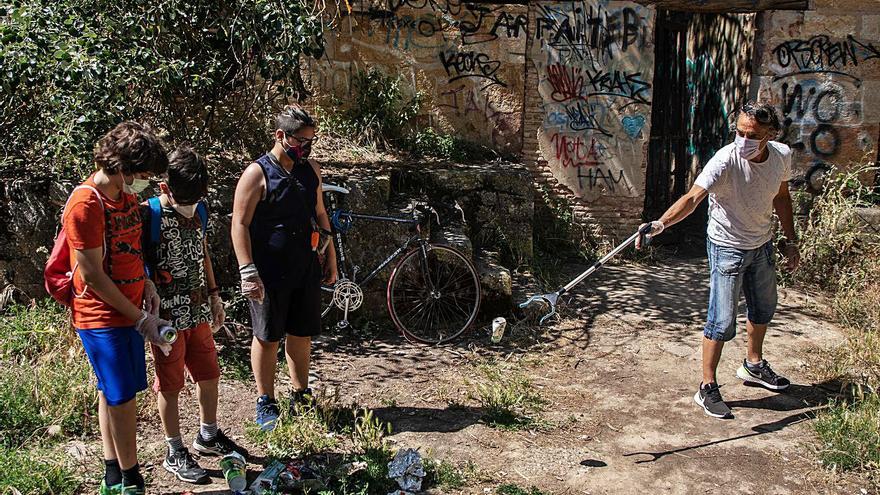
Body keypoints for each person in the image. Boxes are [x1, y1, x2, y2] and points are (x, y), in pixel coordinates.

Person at [638, 101, 800, 419]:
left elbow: (782, 197)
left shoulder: (781, 155)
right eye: (739, 132)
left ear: (771, 133)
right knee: (721, 321)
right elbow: (692, 198)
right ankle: (707, 386)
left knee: (764, 308)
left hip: (762, 243)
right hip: (727, 246)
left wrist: (791, 242)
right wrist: (660, 224)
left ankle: (753, 365)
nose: (743, 139)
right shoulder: (725, 161)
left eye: (751, 134)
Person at [65, 122, 171, 495]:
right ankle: (131, 476)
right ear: (123, 167)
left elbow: (130, 249)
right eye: (141, 175)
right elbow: (93, 275)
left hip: (130, 310)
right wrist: (139, 317)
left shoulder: (124, 197)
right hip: (102, 317)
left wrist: (149, 286)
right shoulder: (85, 204)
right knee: (123, 396)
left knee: (110, 390)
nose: (143, 183)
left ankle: (112, 468)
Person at [141, 146, 247, 483]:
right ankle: (174, 450)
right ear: (164, 188)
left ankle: (208, 434)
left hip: (199, 310)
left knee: (209, 372)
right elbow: (138, 267)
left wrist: (215, 296)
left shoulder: (199, 211)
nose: (189, 207)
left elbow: (203, 254)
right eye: (183, 199)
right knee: (170, 384)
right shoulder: (150, 215)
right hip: (166, 320)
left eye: (195, 199)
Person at [231, 105, 338, 431]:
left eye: (311, 141)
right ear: (281, 135)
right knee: (267, 336)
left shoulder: (311, 170)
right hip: (268, 272)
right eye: (301, 141)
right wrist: (247, 269)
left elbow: (320, 214)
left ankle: (300, 393)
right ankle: (266, 400)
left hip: (304, 267)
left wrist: (330, 257)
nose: (305, 148)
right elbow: (239, 223)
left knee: (301, 332)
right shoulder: (257, 173)